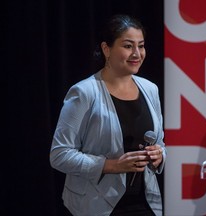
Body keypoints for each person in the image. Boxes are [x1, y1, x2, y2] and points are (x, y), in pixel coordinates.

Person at [50, 14, 166, 216]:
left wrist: (159, 156)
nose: (137, 53)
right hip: (97, 205)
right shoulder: (84, 92)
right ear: (106, 49)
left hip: (146, 203)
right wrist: (111, 165)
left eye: (141, 45)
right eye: (128, 46)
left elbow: (161, 144)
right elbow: (59, 155)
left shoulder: (150, 89)